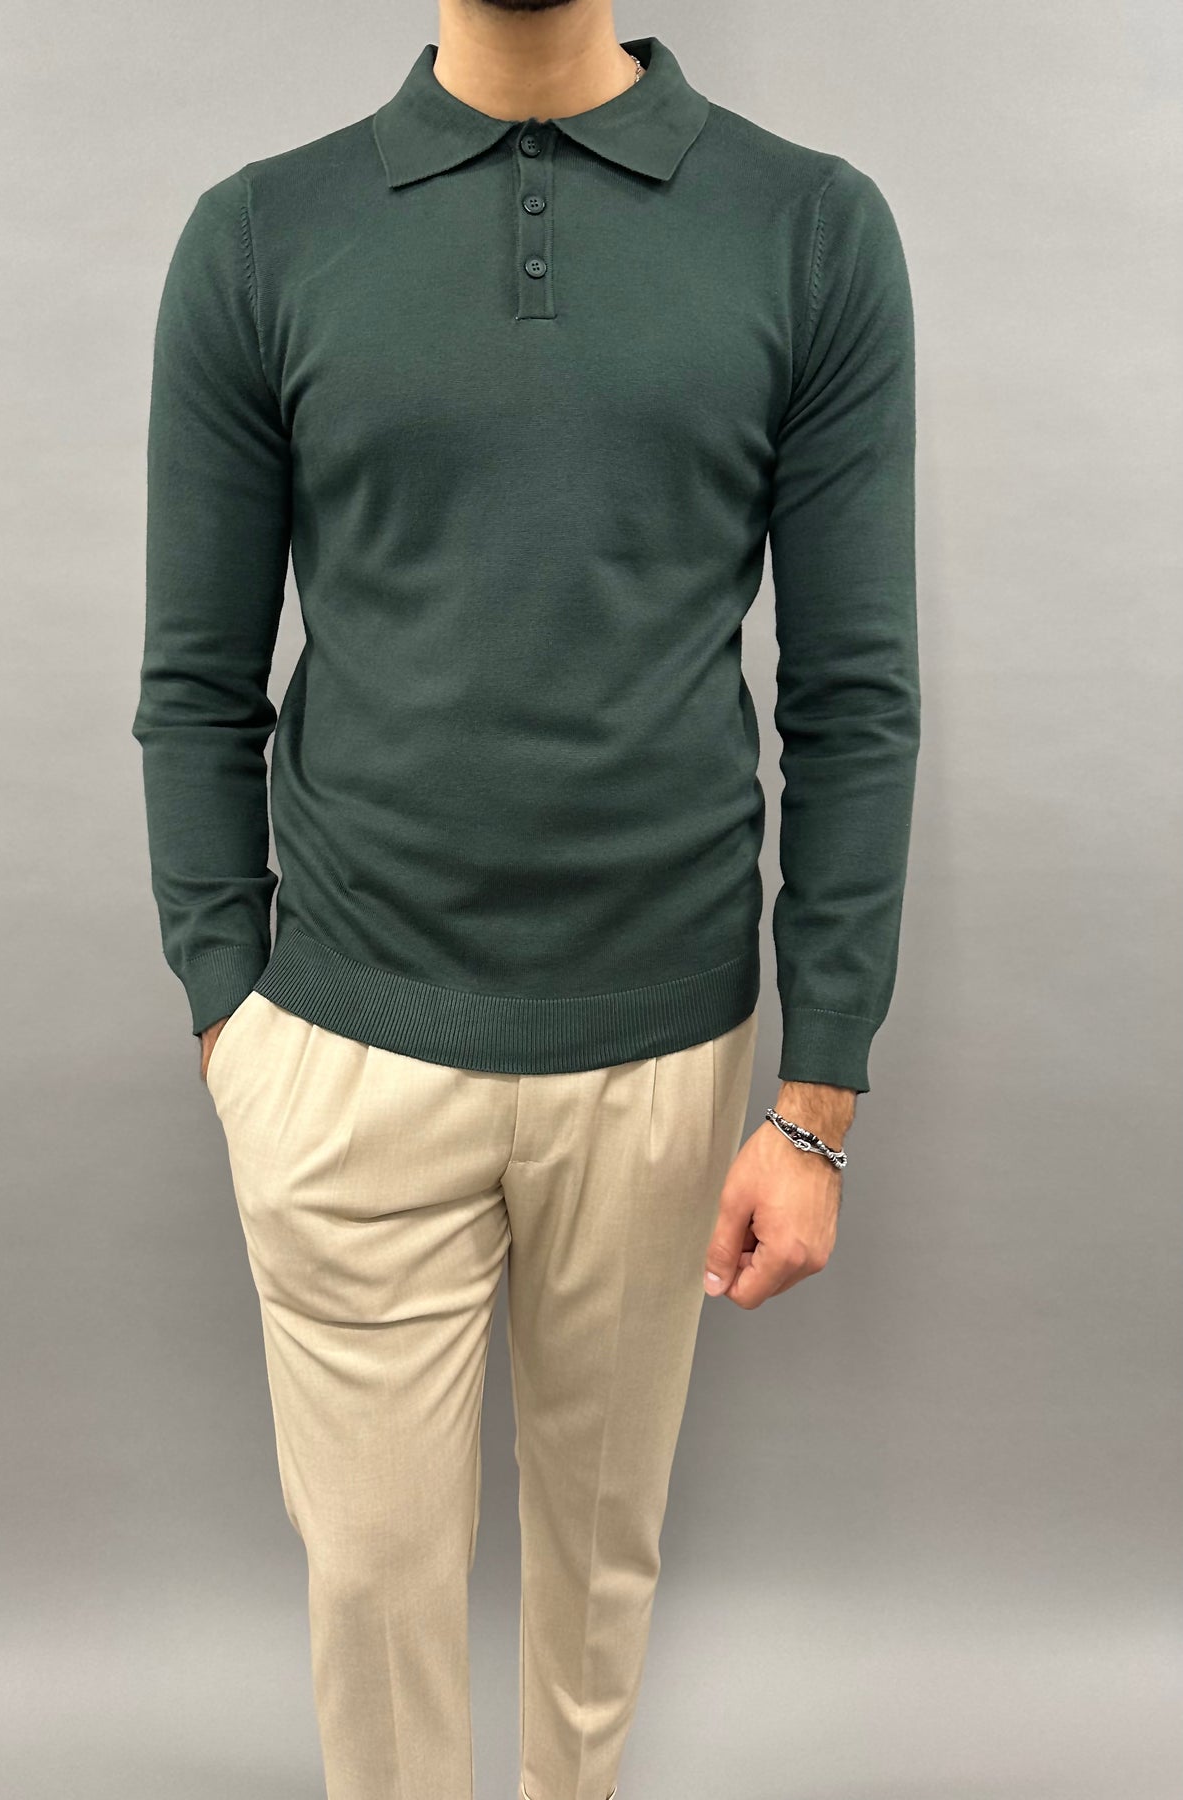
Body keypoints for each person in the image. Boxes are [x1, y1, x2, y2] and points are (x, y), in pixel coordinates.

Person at [131, 1, 919, 1794]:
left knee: (595, 1599)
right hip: (341, 1050)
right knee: (373, 1598)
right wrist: (228, 1017)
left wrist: (817, 1100)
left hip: (661, 1053)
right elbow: (194, 681)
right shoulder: (262, 236)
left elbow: (852, 697)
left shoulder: (806, 228)